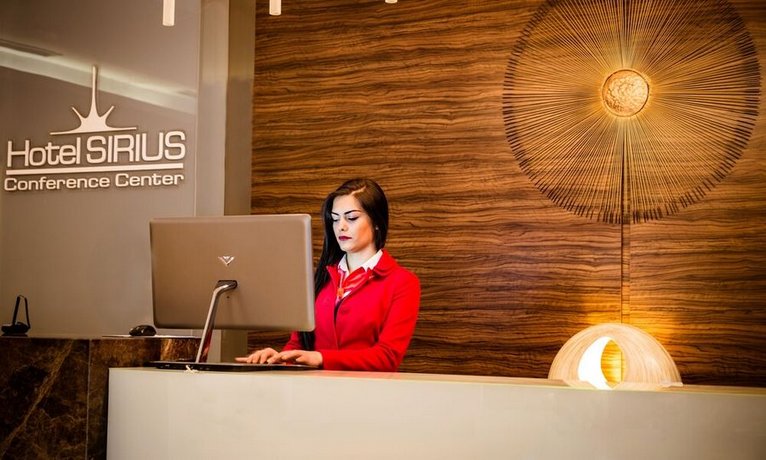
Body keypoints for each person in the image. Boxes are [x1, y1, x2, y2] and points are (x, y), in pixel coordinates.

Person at [236, 178, 421, 371]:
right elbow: (299, 344)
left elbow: (387, 357)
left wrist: (321, 358)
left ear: (376, 221)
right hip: (314, 387)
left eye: (351, 218)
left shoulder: (402, 283)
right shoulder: (319, 278)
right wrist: (279, 358)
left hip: (367, 388)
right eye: (335, 219)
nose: (341, 226)